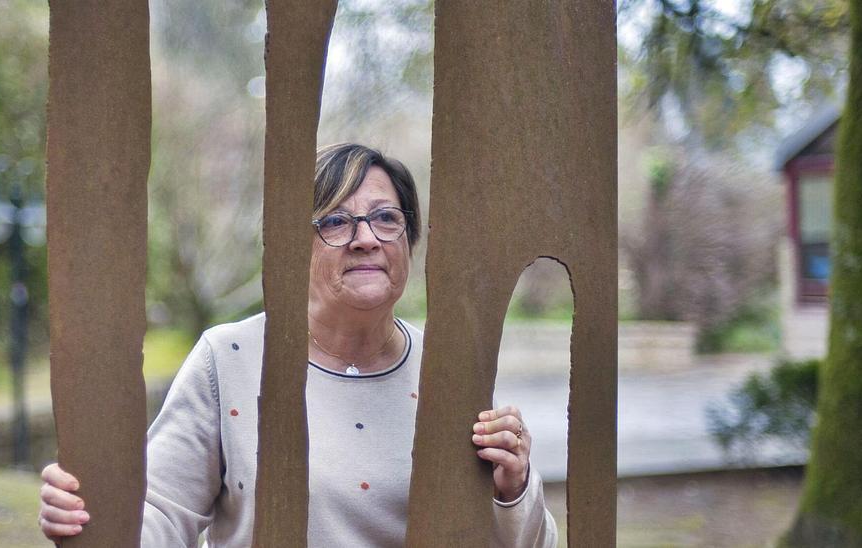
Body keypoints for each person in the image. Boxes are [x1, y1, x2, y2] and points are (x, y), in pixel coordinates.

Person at [39, 143, 557, 547]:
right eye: (335, 221)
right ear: (293, 246)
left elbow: (530, 543)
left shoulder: (450, 372)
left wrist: (515, 487)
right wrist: (91, 515)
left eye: (386, 218)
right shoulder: (231, 359)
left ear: (409, 241)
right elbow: (161, 515)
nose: (365, 238)